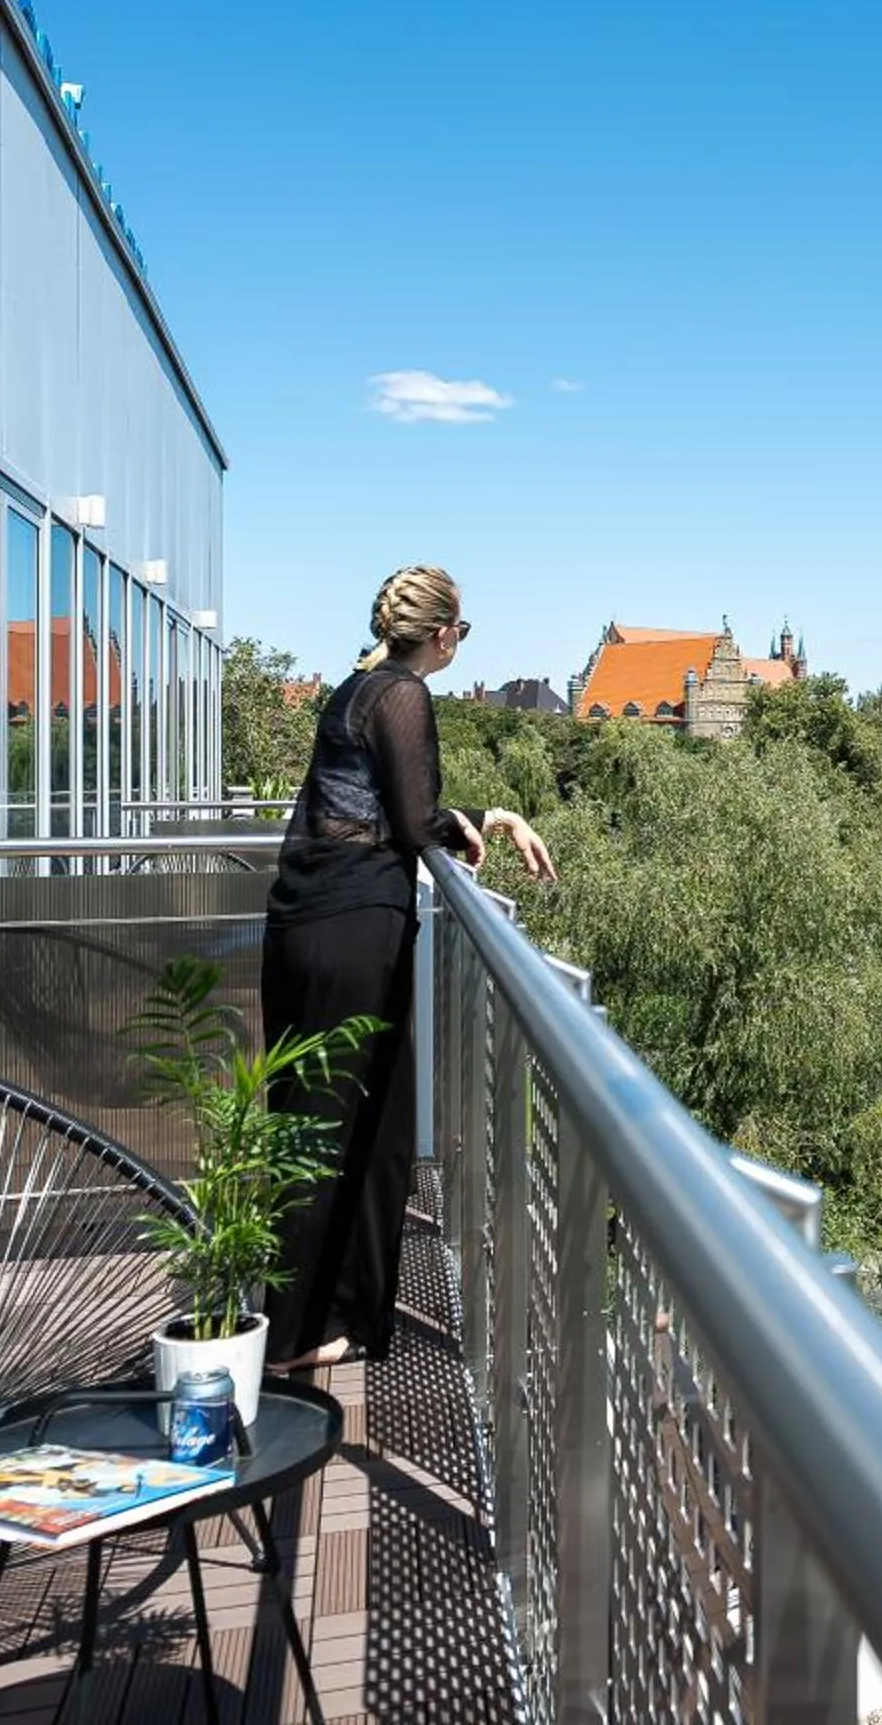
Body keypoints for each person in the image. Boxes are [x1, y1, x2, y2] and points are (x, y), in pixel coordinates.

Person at [261, 565, 551, 1369]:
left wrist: (485, 816)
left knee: (362, 1121)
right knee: (341, 1126)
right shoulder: (401, 694)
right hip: (353, 926)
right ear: (445, 633)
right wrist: (474, 820)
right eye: (465, 629)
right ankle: (291, 1337)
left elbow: (395, 805)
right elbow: (419, 817)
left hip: (312, 923)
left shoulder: (357, 691)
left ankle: (336, 1320)